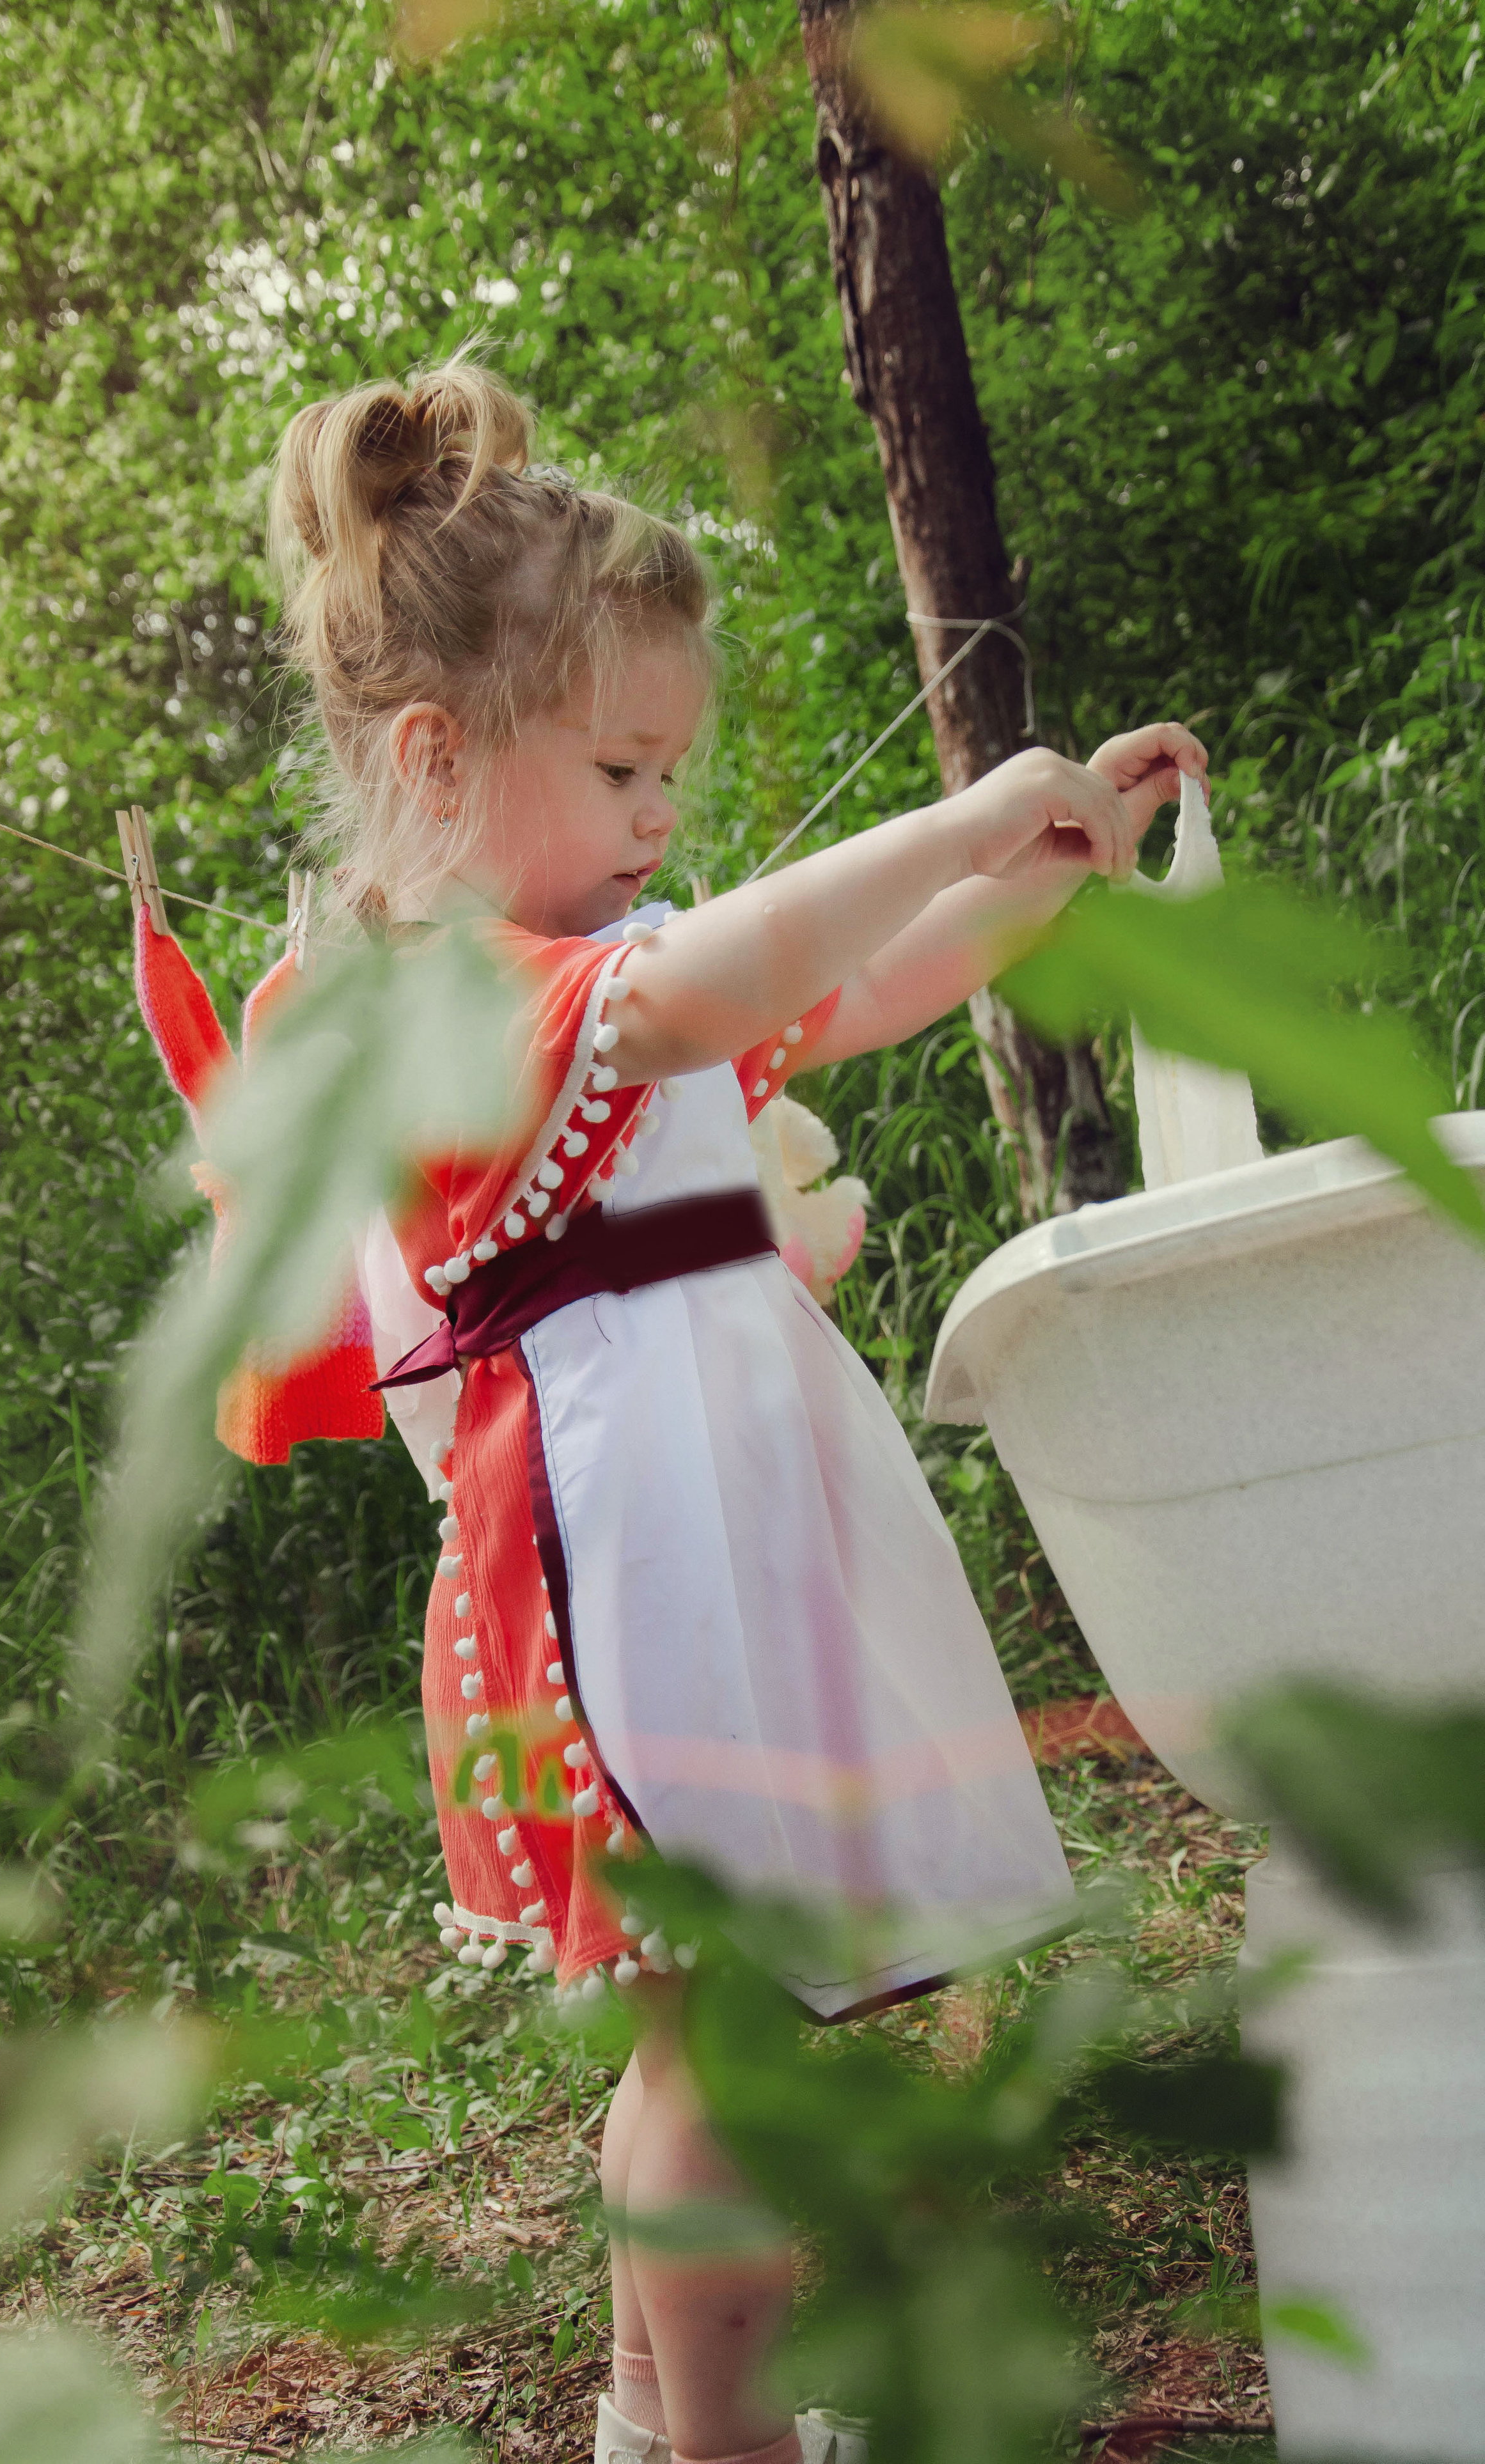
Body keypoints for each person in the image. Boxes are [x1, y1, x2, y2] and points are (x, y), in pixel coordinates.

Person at [258, 355, 1207, 2464]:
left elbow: (845, 987)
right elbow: (716, 984)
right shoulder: (476, 994)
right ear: (438, 757)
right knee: (719, 2048)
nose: (661, 818)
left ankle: (648, 2413)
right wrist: (957, 818)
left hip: (713, 1533)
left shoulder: (608, 954)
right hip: (629, 1565)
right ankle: (727, 2442)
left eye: (672, 774)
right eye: (621, 768)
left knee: (708, 2027)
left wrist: (1046, 866)